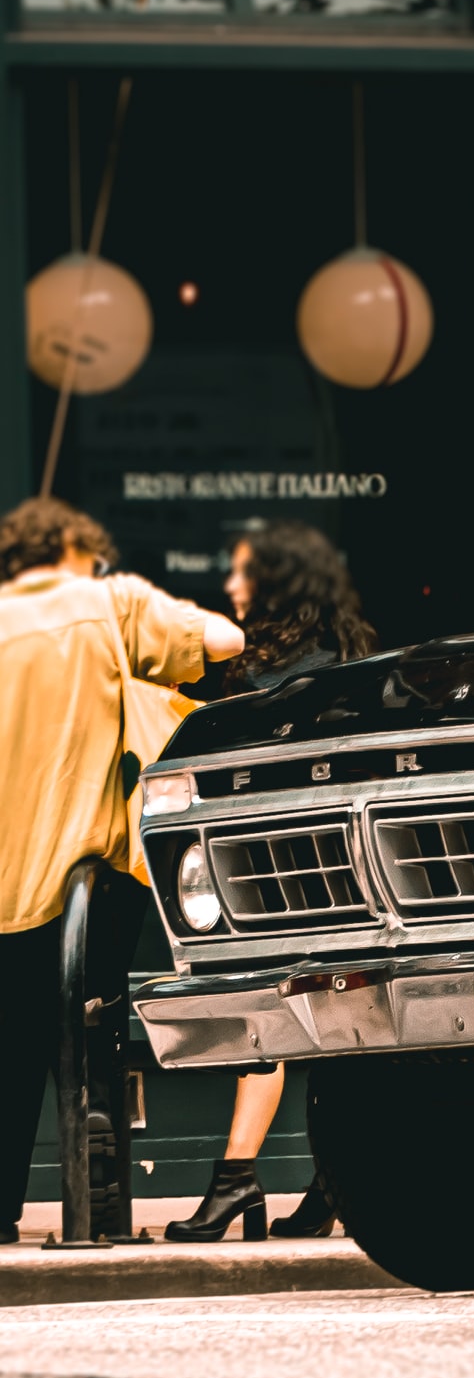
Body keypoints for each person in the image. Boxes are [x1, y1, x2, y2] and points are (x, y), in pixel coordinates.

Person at [0, 497, 242, 1244]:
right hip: (73, 880)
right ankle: (97, 1210)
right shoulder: (110, 604)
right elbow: (224, 641)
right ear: (78, 546)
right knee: (86, 1040)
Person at [165, 523, 377, 1245]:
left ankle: (237, 1182)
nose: (230, 586)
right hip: (341, 865)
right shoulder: (351, 660)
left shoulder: (270, 676)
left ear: (278, 583)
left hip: (276, 870)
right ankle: (327, 1182)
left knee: (268, 1022)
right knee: (337, 1019)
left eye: (244, 574)